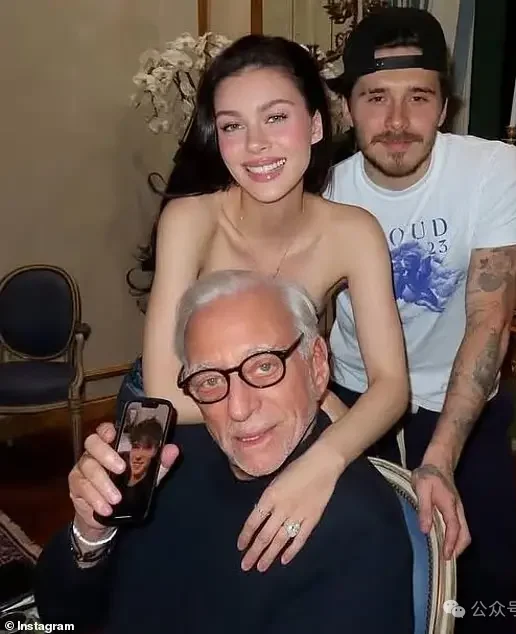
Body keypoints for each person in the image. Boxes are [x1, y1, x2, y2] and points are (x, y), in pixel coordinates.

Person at [119, 33, 409, 572]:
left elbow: (392, 384)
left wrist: (325, 458)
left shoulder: (353, 232)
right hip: (172, 412)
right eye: (232, 126)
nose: (256, 145)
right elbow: (165, 392)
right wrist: (318, 403)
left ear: (316, 125)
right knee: (155, 567)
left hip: (275, 407)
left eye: (276, 117)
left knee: (355, 530)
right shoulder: (191, 220)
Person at [34, 271, 414, 634]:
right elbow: (60, 615)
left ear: (316, 365)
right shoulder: (166, 457)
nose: (239, 408)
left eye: (264, 366)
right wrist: (91, 534)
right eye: (210, 379)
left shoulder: (358, 526)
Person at [324, 7, 516, 633]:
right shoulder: (324, 187)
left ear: (444, 106)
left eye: (418, 97)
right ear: (348, 108)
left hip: (461, 403)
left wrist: (440, 456)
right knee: (363, 576)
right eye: (376, 98)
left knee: (484, 585)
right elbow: (307, 319)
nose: (397, 122)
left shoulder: (494, 170)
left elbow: (489, 320)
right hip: (353, 397)